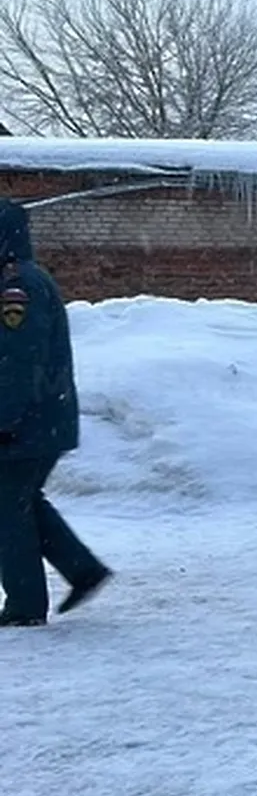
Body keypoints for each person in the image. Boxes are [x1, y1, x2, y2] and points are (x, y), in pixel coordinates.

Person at [0, 199, 111, 627]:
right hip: (41, 419)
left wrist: (4, 421)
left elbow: (17, 363)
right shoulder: (19, 279)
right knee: (22, 502)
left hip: (27, 423)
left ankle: (25, 607)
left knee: (8, 509)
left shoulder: (18, 288)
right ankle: (83, 570)